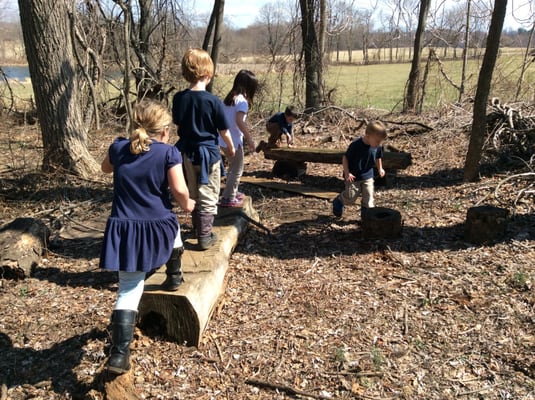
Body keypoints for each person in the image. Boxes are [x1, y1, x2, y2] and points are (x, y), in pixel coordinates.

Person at [99, 100, 195, 375]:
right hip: (157, 224)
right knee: (173, 228)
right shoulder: (168, 153)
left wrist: (121, 151)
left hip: (125, 228)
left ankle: (119, 355)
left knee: (129, 288)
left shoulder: (119, 148)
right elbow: (178, 189)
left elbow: (106, 169)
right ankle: (174, 275)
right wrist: (188, 203)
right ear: (165, 131)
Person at [172, 48, 236, 250]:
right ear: (208, 74)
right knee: (208, 192)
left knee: (193, 192)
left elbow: (179, 124)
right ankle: (205, 236)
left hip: (186, 154)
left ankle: (197, 228)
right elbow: (224, 131)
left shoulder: (179, 98)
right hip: (208, 155)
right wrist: (231, 149)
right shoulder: (212, 101)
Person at [219, 69, 258, 207]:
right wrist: (250, 140)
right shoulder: (242, 101)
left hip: (223, 139)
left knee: (232, 167)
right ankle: (228, 198)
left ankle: (231, 193)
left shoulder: (229, 98)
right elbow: (239, 121)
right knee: (237, 170)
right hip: (234, 141)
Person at [332, 120, 387, 218]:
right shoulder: (356, 145)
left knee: (369, 198)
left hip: (368, 175)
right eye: (377, 141)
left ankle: (366, 217)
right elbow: (345, 158)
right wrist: (347, 172)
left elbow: (378, 157)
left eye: (380, 141)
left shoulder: (377, 146)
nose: (379, 144)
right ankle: (338, 201)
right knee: (351, 197)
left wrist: (380, 168)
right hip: (353, 176)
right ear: (368, 136)